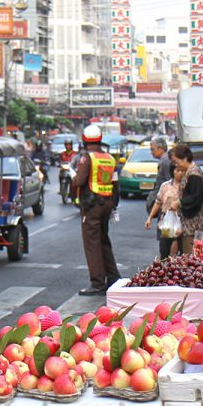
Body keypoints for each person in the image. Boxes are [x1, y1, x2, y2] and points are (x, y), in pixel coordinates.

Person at [72, 123, 118, 295]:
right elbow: (116, 184)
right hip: (107, 203)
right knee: (104, 240)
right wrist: (114, 206)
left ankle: (97, 282)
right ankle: (113, 277)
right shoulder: (110, 158)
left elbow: (79, 181)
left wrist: (73, 176)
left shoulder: (87, 158)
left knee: (92, 243)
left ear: (85, 140)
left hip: (92, 206)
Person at [168, 142, 203, 256]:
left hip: (193, 225)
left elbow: (195, 197)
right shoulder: (189, 172)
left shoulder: (194, 174)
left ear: (185, 159)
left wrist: (179, 202)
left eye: (177, 162)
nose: (176, 165)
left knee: (191, 254)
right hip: (188, 224)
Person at [143, 137, 173, 227]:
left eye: (153, 149)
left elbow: (169, 184)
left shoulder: (165, 162)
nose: (151, 152)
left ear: (160, 149)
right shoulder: (164, 161)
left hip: (165, 203)